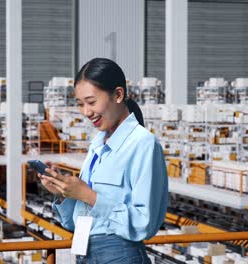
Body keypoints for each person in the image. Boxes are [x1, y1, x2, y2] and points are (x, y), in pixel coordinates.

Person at [38, 58, 168, 263]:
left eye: (91, 102)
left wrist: (89, 195)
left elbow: (144, 223)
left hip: (120, 255)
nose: (86, 112)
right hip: (85, 252)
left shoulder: (143, 143)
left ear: (118, 95)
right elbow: (75, 222)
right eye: (80, 104)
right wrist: (64, 192)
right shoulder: (97, 145)